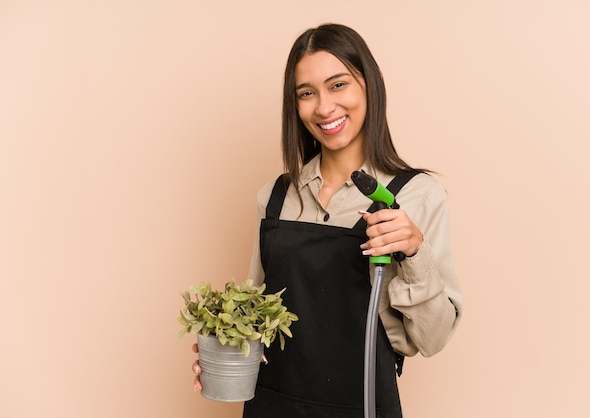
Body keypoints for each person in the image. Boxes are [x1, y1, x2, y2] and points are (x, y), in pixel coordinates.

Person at [191, 23, 462, 417]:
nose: (323, 107)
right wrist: (220, 349)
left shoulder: (417, 196)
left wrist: (415, 252)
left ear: (370, 83)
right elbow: (254, 317)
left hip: (362, 405)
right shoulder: (275, 197)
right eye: (306, 93)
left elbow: (432, 340)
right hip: (273, 406)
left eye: (338, 85)